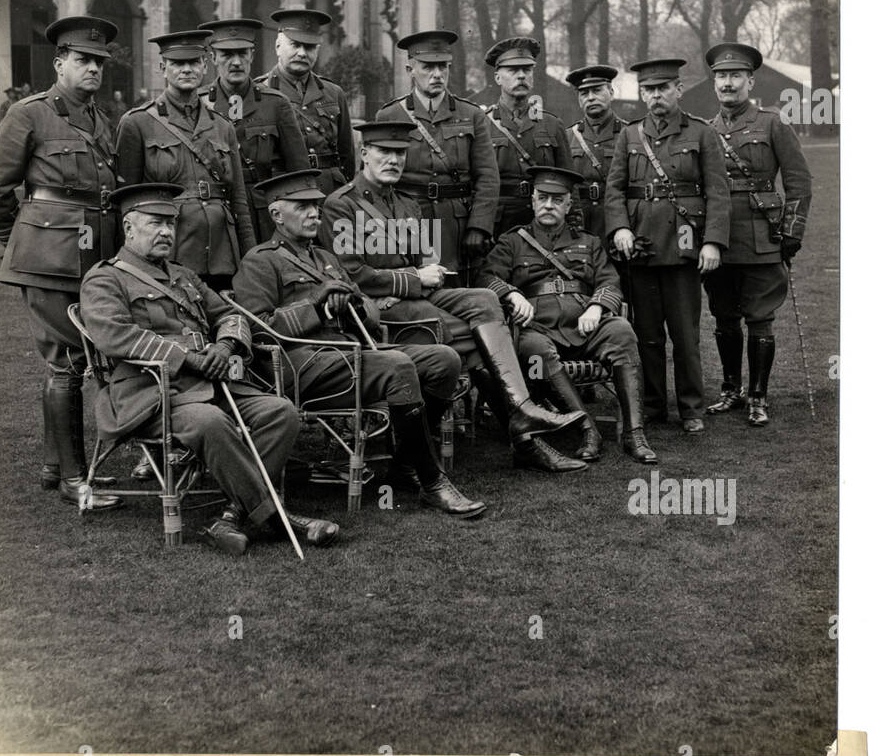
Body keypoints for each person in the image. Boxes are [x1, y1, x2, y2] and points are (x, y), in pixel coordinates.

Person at [79, 183, 337, 554]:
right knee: (209, 423)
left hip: (212, 384)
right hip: (152, 393)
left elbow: (230, 314)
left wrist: (224, 345)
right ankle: (279, 519)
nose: (167, 232)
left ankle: (230, 517)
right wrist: (188, 358)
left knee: (281, 412)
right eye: (156, 223)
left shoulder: (184, 276)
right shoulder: (106, 278)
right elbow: (115, 334)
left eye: (171, 224)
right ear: (129, 228)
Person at [319, 121, 586, 473]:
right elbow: (353, 274)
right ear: (364, 154)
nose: (393, 160)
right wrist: (414, 278)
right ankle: (524, 435)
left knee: (486, 301)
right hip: (378, 308)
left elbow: (426, 258)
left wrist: (428, 269)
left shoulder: (408, 203)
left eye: (399, 153)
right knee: (477, 342)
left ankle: (521, 416)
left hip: (418, 298)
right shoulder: (340, 205)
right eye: (384, 152)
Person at [233, 170, 487, 518]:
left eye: (316, 207)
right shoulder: (260, 261)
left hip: (349, 354)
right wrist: (317, 307)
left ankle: (403, 466)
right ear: (276, 215)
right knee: (397, 366)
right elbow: (259, 329)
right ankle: (433, 483)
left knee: (444, 359)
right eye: (302, 207)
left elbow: (368, 311)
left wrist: (353, 303)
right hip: (301, 366)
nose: (314, 214)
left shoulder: (326, 258)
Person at [0, 15, 122, 508]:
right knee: (67, 364)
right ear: (59, 63)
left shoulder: (102, 119)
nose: (93, 69)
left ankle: (51, 467)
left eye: (99, 62)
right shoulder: (29, 113)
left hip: (92, 254)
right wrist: (17, 241)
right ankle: (74, 480)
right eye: (83, 60)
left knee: (72, 362)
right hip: (47, 257)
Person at [482, 166, 657, 463]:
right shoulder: (512, 242)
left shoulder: (589, 242)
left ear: (568, 205)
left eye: (557, 199)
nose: (549, 205)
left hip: (584, 325)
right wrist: (511, 294)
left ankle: (634, 433)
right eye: (543, 198)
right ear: (533, 201)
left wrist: (597, 306)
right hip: (537, 327)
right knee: (535, 350)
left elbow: (609, 281)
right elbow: (487, 277)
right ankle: (587, 430)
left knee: (622, 331)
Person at [603, 57, 730, 433]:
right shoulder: (629, 135)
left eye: (662, 89)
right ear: (642, 94)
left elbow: (717, 193)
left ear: (678, 89)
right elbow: (614, 190)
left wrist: (713, 243)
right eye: (649, 90)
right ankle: (655, 406)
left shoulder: (701, 133)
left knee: (686, 336)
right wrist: (619, 229)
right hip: (640, 248)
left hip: (683, 249)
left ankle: (692, 408)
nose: (656, 96)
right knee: (648, 336)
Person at [701, 42, 813, 425]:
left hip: (764, 236)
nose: (727, 84)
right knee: (724, 316)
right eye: (721, 77)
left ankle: (758, 397)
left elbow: (799, 181)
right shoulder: (706, 130)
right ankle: (731, 390)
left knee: (760, 318)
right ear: (714, 83)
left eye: (734, 76)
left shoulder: (772, 123)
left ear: (750, 80)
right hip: (718, 239)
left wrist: (792, 230)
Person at [115, 30, 255, 291]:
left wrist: (248, 258)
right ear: (163, 68)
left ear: (205, 65)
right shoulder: (138, 123)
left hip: (222, 251)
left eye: (193, 62)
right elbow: (126, 204)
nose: (187, 70)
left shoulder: (222, 125)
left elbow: (239, 201)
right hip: (170, 249)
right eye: (178, 63)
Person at [376, 30, 499, 277]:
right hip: (408, 219)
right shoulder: (390, 116)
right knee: (415, 284)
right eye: (428, 67)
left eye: (443, 66)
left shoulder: (472, 115)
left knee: (458, 285)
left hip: (457, 223)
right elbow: (375, 179)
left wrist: (479, 225)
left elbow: (487, 176)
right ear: (411, 69)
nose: (437, 74)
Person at [198, 16, 310, 241]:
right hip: (217, 212)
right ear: (212, 58)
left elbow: (299, 171)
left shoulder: (276, 103)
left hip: (265, 214)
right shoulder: (199, 104)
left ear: (252, 55)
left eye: (242, 53)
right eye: (227, 55)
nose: (236, 62)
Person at [255, 6, 354, 194]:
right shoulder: (259, 93)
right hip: (283, 190)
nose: (302, 53)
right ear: (277, 46)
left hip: (329, 191)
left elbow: (346, 156)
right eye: (295, 44)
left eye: (309, 47)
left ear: (317, 50)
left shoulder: (333, 93)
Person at [482, 36, 572, 241]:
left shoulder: (552, 124)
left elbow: (568, 182)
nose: (521, 76)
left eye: (527, 70)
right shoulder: (483, 124)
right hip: (497, 222)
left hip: (542, 220)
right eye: (513, 71)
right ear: (497, 78)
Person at [564, 64, 627, 241]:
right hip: (579, 221)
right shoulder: (568, 137)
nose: (591, 98)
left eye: (597, 91)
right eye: (584, 93)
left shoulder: (629, 134)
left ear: (611, 93)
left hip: (616, 221)